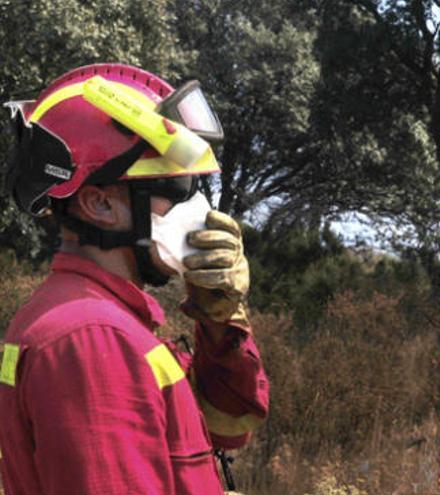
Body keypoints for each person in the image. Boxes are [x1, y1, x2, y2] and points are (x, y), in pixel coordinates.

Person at [0, 63, 269, 494]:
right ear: (99, 205)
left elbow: (227, 426)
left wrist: (221, 319)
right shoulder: (92, 342)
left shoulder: (107, 323)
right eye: (176, 190)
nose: (199, 210)